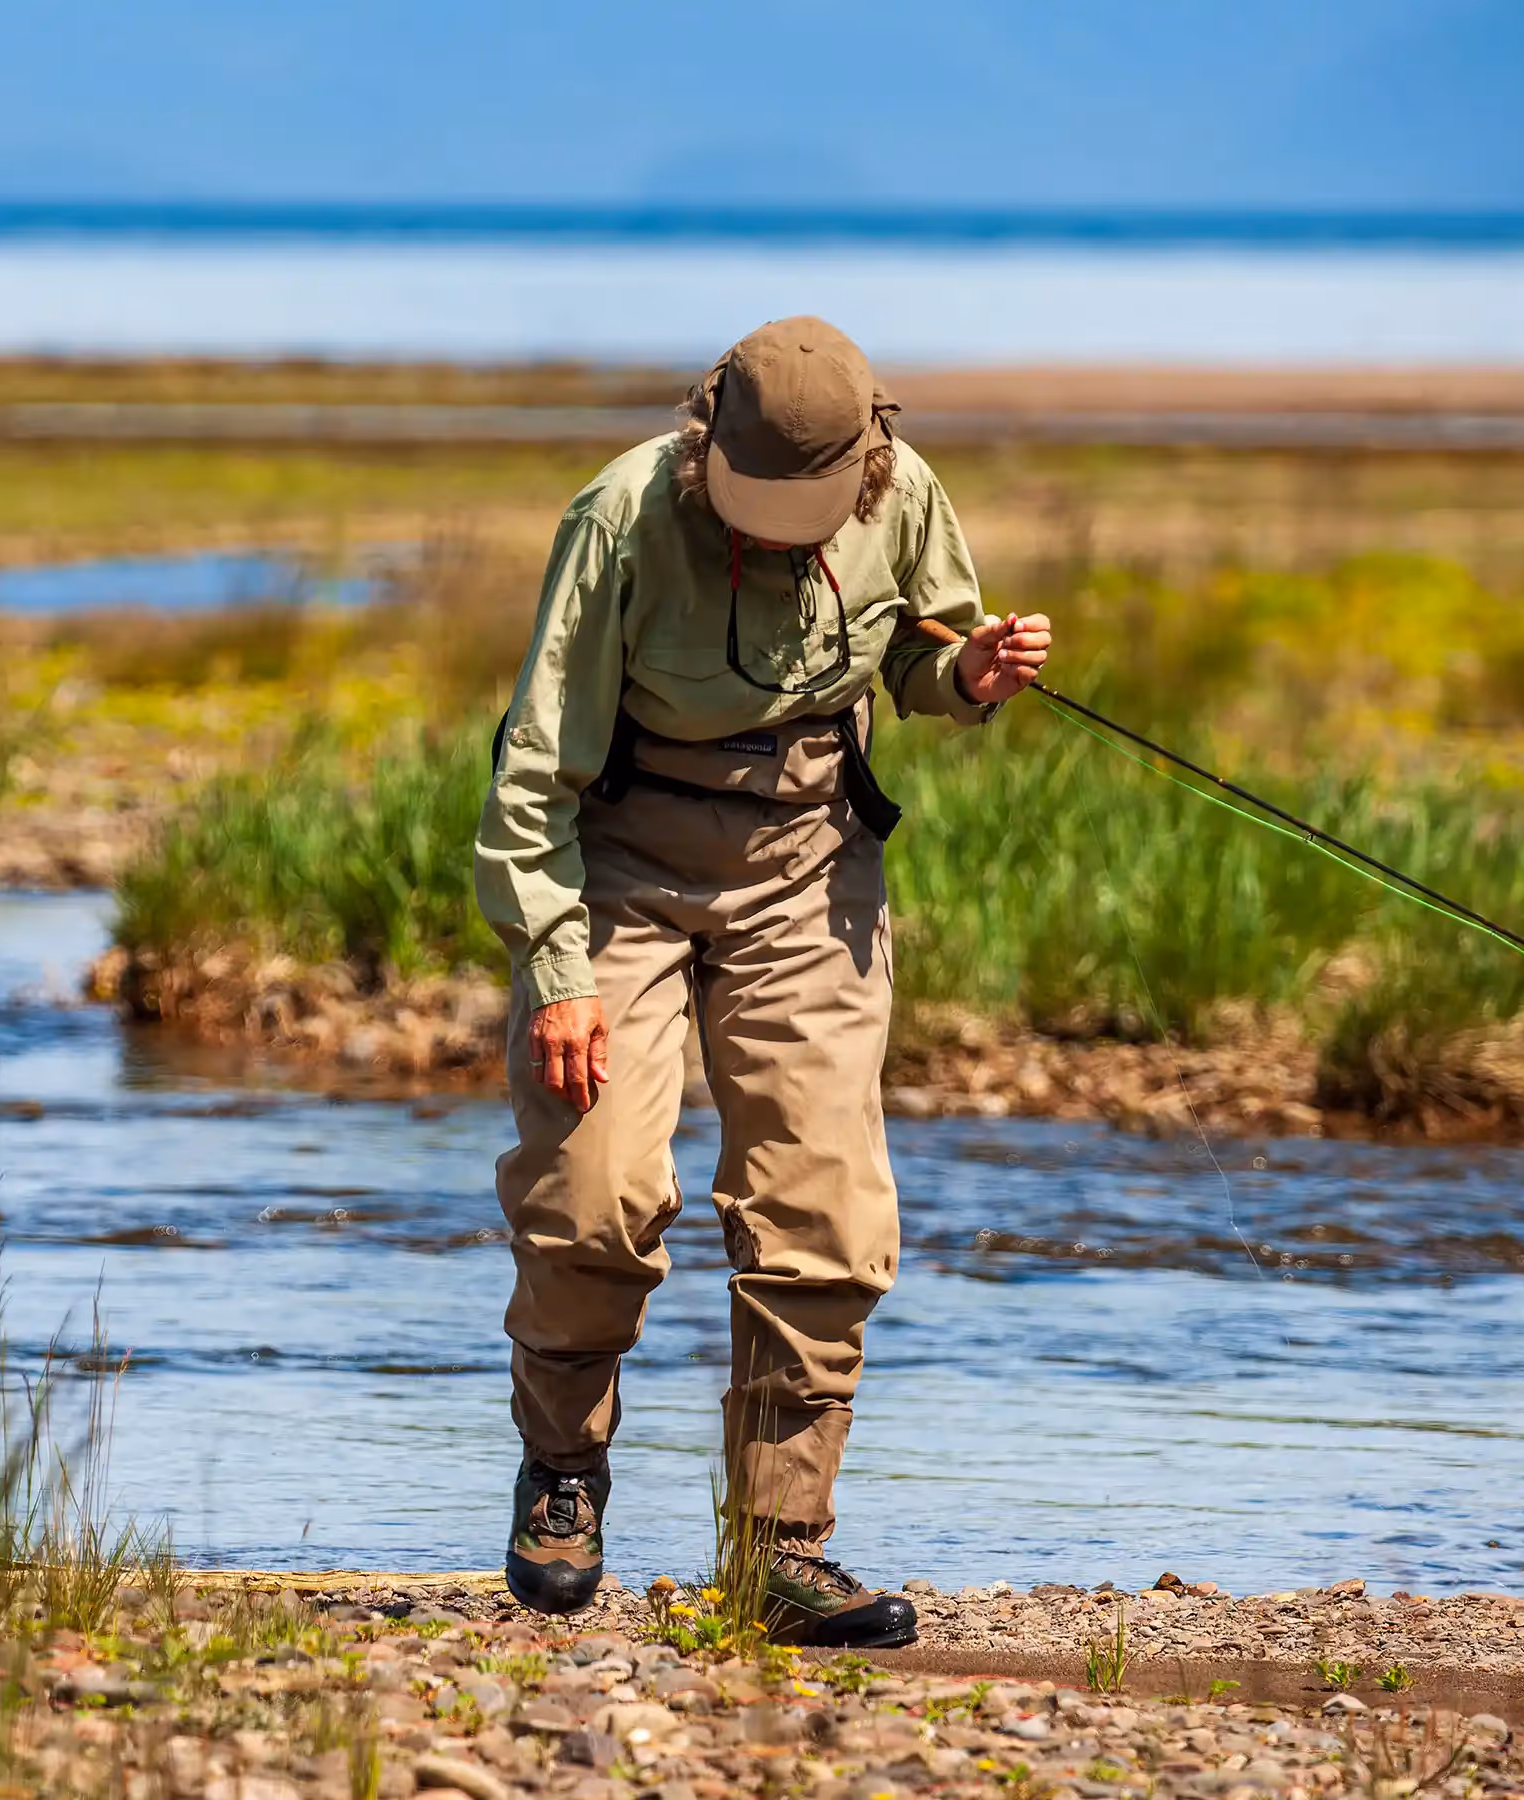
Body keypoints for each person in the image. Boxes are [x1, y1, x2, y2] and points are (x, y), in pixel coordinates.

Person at [474, 316, 1051, 1646]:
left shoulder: (903, 493)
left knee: (825, 1212)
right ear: (707, 438)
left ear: (868, 459)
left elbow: (916, 658)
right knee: (594, 1193)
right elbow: (528, 774)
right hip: (621, 858)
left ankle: (781, 1549)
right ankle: (563, 1475)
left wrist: (963, 676)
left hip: (811, 864)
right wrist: (558, 969)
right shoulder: (620, 516)